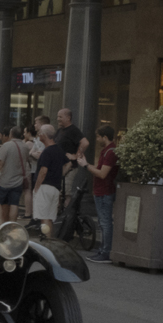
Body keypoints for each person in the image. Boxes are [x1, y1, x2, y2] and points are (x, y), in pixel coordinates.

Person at [79, 125, 120, 263]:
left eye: (98, 137)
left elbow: (102, 174)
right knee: (104, 222)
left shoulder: (110, 152)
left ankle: (105, 252)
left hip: (105, 191)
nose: (97, 139)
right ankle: (103, 250)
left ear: (105, 137)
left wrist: (86, 165)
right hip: (102, 191)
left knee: (105, 222)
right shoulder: (107, 151)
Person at [0, 126, 30, 226]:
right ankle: (12, 224)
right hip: (18, 181)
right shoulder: (25, 147)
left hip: (4, 181)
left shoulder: (6, 146)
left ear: (11, 134)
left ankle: (0, 223)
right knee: (14, 204)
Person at [32, 125, 64, 231]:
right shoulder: (58, 149)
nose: (39, 135)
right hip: (55, 187)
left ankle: (45, 242)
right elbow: (68, 164)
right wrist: (59, 174)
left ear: (45, 135)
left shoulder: (47, 151)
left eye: (40, 133)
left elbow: (43, 171)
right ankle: (49, 242)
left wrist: (36, 187)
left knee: (44, 218)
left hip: (44, 187)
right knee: (49, 218)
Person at [54, 108, 88, 204]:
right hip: (60, 166)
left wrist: (76, 156)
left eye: (60, 117)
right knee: (59, 191)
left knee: (66, 192)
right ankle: (58, 213)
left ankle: (65, 214)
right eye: (57, 116)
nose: (58, 119)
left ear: (68, 118)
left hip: (69, 167)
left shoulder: (73, 130)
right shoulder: (60, 131)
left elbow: (85, 143)